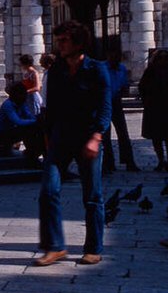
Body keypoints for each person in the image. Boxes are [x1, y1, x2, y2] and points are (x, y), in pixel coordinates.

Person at [34, 20, 111, 266]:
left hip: (88, 137)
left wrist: (97, 137)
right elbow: (51, 107)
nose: (60, 45)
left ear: (78, 42)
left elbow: (105, 106)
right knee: (48, 191)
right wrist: (48, 138)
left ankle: (94, 248)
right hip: (60, 138)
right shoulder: (56, 70)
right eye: (58, 41)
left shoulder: (96, 69)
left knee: (92, 195)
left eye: (64, 40)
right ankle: (55, 246)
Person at [139, 49, 168, 171]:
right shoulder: (150, 71)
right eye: (160, 57)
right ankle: (161, 160)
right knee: (156, 137)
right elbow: (142, 87)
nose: (163, 60)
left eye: (165, 57)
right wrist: (147, 99)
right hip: (154, 108)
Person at [101, 45, 137, 173]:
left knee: (123, 133)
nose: (114, 57)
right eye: (111, 54)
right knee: (105, 134)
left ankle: (129, 161)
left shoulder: (121, 68)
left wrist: (124, 90)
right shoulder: (101, 68)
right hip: (104, 102)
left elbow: (124, 83)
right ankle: (108, 163)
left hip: (116, 101)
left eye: (116, 55)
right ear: (107, 55)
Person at [0, 82, 44, 157]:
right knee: (28, 129)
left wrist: (36, 120)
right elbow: (18, 121)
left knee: (35, 128)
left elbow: (29, 116)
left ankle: (34, 152)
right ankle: (31, 153)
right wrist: (35, 121)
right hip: (1, 134)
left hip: (12, 131)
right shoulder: (8, 105)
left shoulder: (21, 104)